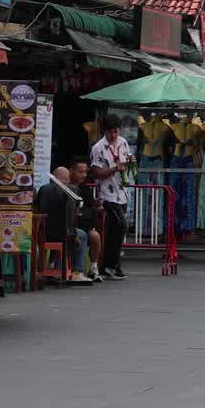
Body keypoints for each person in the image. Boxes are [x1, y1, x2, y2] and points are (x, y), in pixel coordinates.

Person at [34, 167, 93, 284]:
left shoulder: (44, 189)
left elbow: (38, 209)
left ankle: (51, 267)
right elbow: (75, 215)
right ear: (67, 179)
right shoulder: (74, 190)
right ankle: (77, 271)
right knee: (82, 235)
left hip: (45, 232)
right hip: (67, 232)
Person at [89, 115, 132, 280]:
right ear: (104, 131)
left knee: (117, 230)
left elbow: (127, 163)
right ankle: (113, 264)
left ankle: (110, 265)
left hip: (122, 192)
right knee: (121, 225)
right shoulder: (98, 148)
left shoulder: (123, 142)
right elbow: (97, 173)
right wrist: (115, 168)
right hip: (107, 194)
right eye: (110, 132)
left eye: (116, 131)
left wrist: (130, 163)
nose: (113, 135)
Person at [69, 160, 103, 282]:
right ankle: (74, 270)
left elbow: (91, 209)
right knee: (80, 235)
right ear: (71, 171)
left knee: (95, 236)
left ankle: (93, 268)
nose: (84, 175)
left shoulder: (86, 190)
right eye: (80, 172)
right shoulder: (65, 188)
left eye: (85, 172)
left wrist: (97, 206)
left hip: (84, 226)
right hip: (69, 226)